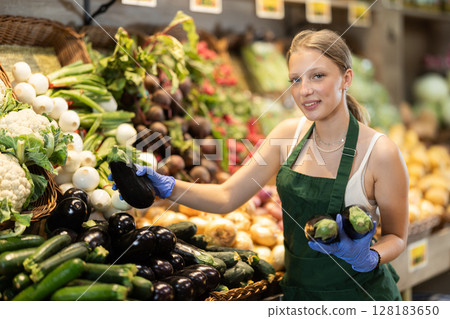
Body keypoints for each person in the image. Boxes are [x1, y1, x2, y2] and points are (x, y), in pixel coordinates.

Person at [110, 29, 409, 301]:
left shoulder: (379, 152)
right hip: (299, 295)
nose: (304, 90)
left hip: (363, 298)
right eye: (296, 79)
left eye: (317, 76)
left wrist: (369, 257)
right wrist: (167, 187)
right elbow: (227, 196)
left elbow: (397, 236)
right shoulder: (287, 136)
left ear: (346, 78)